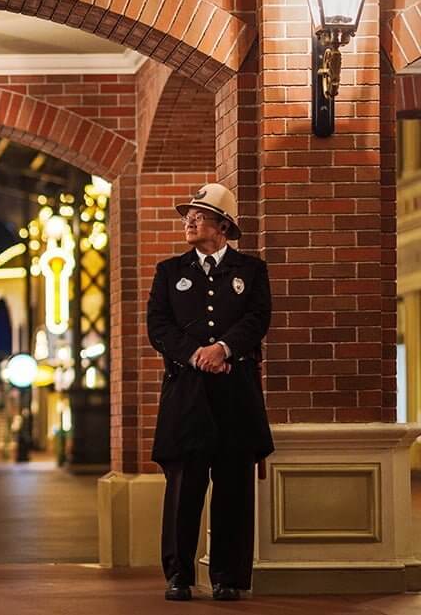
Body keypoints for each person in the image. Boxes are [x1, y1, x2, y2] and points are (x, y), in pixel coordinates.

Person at [146, 183, 274, 602]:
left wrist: (224, 349)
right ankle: (179, 575)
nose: (190, 220)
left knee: (233, 488)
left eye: (199, 215)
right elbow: (158, 326)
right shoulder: (170, 271)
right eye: (189, 215)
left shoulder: (250, 271)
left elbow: (257, 319)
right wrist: (196, 354)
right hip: (186, 395)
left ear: (223, 226)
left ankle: (227, 576)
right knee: (184, 488)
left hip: (235, 394)